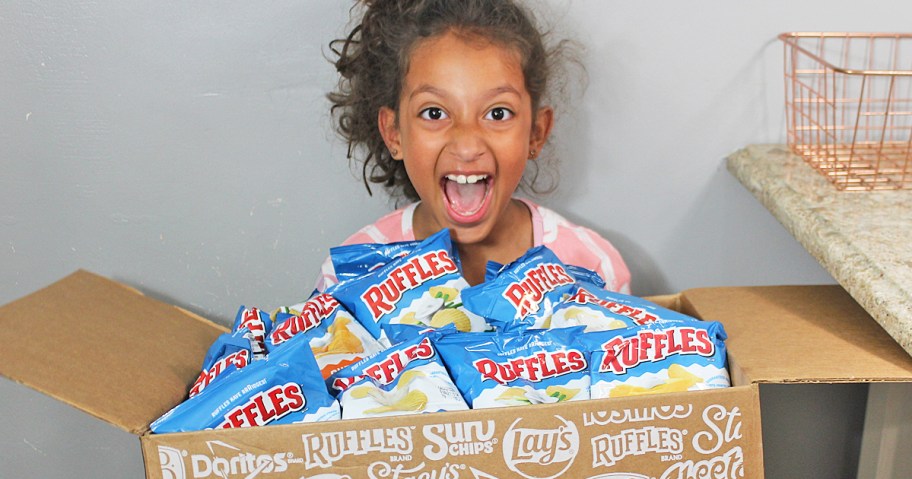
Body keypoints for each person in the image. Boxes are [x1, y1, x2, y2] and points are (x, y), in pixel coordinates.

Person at [318, 0, 630, 293]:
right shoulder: (351, 276)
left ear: (535, 132)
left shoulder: (593, 268)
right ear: (394, 133)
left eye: (497, 113)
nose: (467, 146)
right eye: (434, 113)